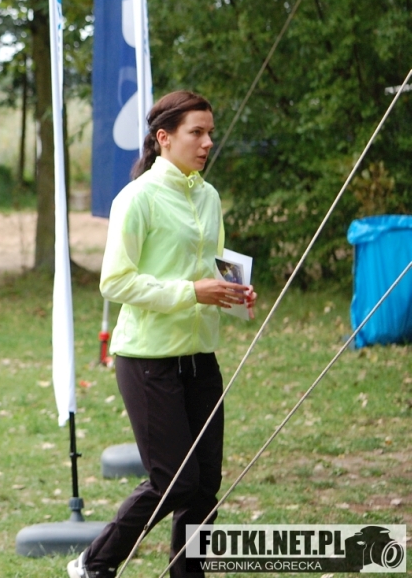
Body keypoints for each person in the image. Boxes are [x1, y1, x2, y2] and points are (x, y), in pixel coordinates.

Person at [67, 91, 256, 578]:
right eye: (197, 132)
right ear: (164, 137)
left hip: (201, 358)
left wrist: (235, 290)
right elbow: (115, 282)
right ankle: (93, 564)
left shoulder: (209, 196)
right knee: (173, 481)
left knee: (205, 485)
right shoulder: (137, 198)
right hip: (148, 360)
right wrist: (191, 292)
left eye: (210, 133)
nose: (207, 142)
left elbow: (213, 266)